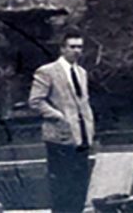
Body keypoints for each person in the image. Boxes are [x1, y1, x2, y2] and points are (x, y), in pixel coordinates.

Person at [28, 28, 95, 213]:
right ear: (63, 49)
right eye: (72, 47)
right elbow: (35, 100)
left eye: (80, 47)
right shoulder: (47, 72)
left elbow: (83, 102)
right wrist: (57, 115)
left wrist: (88, 125)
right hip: (59, 137)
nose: (77, 51)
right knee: (62, 186)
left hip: (81, 136)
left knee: (80, 185)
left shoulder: (81, 72)